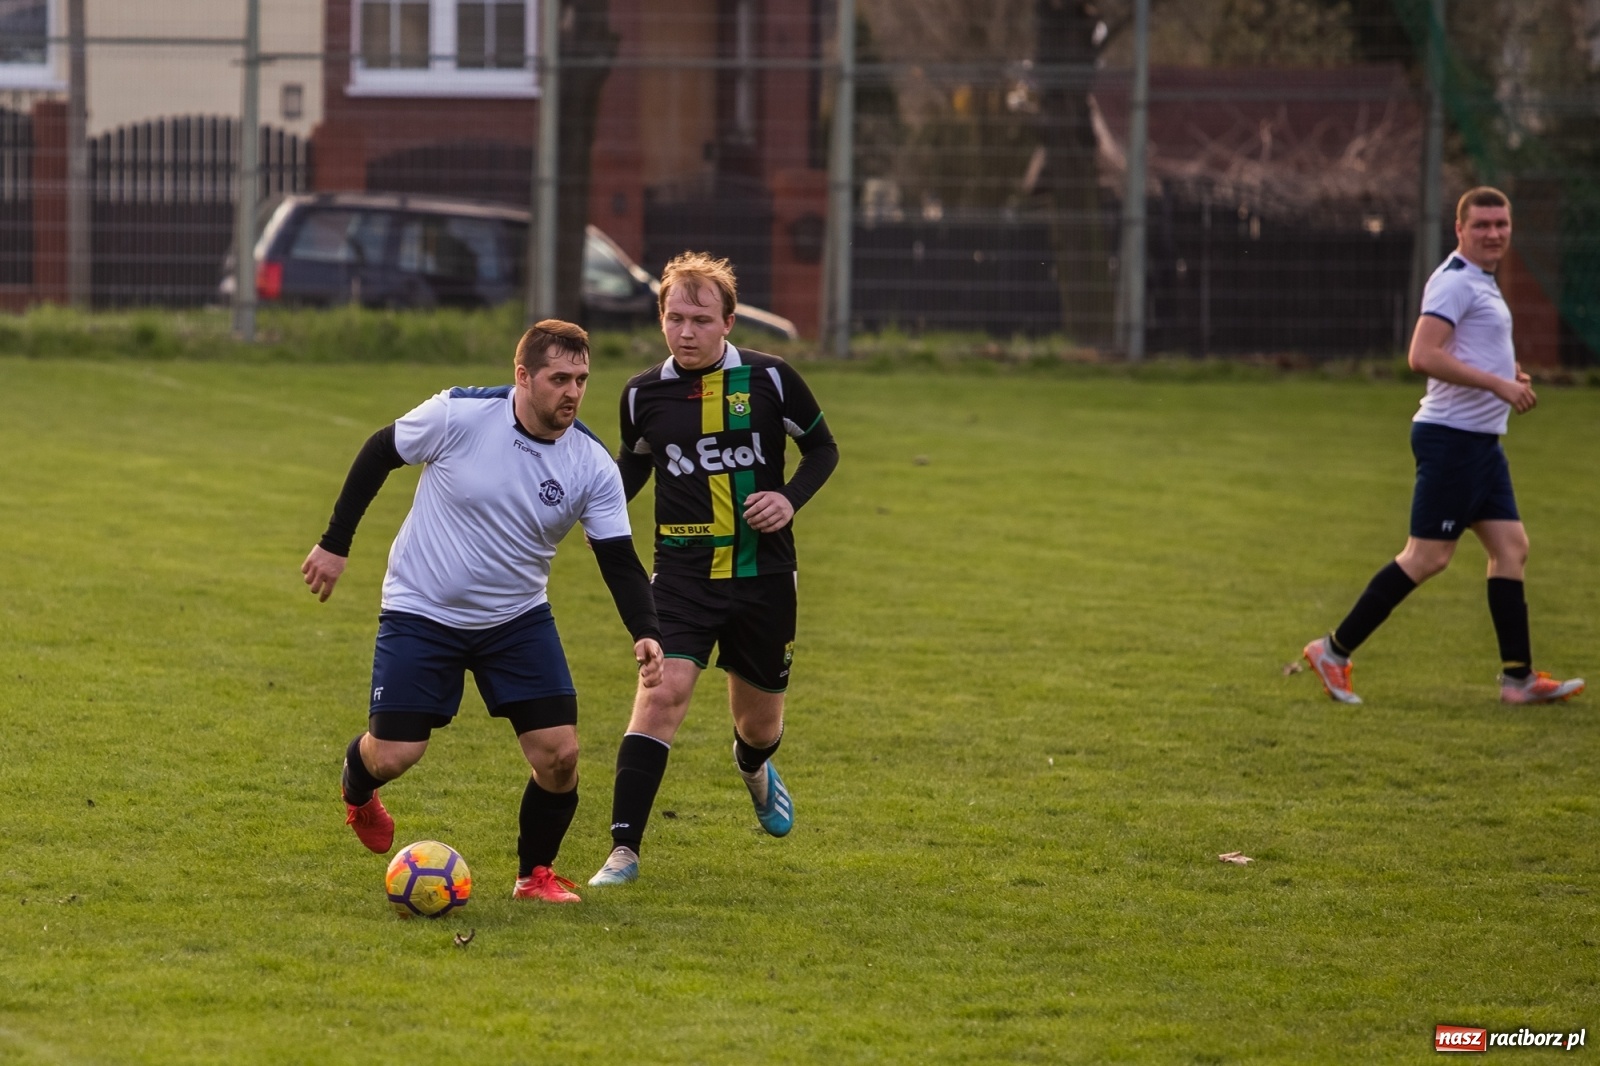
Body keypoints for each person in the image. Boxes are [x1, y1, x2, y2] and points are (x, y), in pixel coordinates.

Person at [301, 319, 665, 903]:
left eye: (581, 379)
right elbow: (378, 452)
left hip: (516, 619)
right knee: (394, 754)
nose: (572, 392)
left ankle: (534, 876)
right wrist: (335, 543)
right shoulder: (459, 415)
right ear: (522, 376)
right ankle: (357, 785)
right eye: (558, 379)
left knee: (560, 755)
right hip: (422, 608)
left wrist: (645, 630)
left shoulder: (592, 464)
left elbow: (618, 559)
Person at [587, 252, 839, 887]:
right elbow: (634, 465)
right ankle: (623, 851)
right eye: (675, 318)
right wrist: (588, 508)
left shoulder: (772, 379)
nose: (686, 332)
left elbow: (822, 448)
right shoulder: (641, 393)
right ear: (661, 319)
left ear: (728, 321)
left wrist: (789, 499)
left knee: (760, 726)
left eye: (701, 320)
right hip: (681, 577)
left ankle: (752, 766)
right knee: (659, 696)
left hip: (764, 576)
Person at [1303, 187, 1584, 707]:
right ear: (1460, 229)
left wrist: (1506, 372)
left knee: (1511, 548)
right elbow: (1422, 355)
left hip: (1481, 444)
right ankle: (1333, 650)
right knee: (1427, 557)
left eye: (1501, 224)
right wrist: (1497, 385)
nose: (1493, 233)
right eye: (1482, 225)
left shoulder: (1481, 280)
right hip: (1452, 439)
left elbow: (1466, 348)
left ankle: (1518, 681)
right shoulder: (1454, 281)